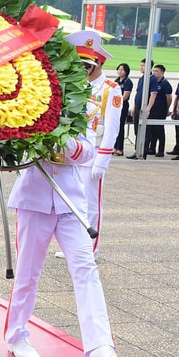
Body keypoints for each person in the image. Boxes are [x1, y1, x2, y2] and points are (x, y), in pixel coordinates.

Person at [4, 132, 131, 357]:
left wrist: (62, 138)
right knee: (27, 273)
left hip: (70, 201)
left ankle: (101, 345)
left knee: (86, 269)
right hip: (33, 199)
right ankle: (16, 335)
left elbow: (87, 151)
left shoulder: (76, 100)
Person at [61, 31, 121, 260]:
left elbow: (112, 128)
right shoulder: (77, 85)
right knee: (74, 200)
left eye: (87, 64)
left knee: (92, 204)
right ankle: (76, 246)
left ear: (97, 63)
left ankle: (91, 249)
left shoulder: (109, 89)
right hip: (76, 152)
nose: (83, 68)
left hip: (94, 152)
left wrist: (102, 161)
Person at [126, 59, 155, 159]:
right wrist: (134, 107)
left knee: (144, 132)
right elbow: (138, 93)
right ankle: (137, 150)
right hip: (137, 107)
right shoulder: (142, 78)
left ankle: (143, 152)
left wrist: (148, 108)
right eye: (141, 65)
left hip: (144, 108)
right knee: (137, 131)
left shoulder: (152, 79)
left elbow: (153, 95)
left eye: (143, 66)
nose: (141, 67)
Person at [147, 64, 172, 157]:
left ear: (162, 72)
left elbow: (169, 98)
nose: (154, 73)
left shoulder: (165, 84)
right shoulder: (154, 82)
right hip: (153, 109)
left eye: (157, 71)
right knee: (152, 129)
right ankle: (152, 148)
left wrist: (166, 108)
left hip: (160, 109)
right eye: (154, 71)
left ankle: (161, 150)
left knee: (159, 129)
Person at [113, 63, 132, 156]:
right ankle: (114, 146)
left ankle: (120, 148)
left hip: (122, 106)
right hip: (115, 106)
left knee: (120, 127)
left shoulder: (128, 82)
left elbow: (125, 96)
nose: (120, 71)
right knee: (115, 126)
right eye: (119, 69)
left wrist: (116, 101)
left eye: (122, 70)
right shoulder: (116, 81)